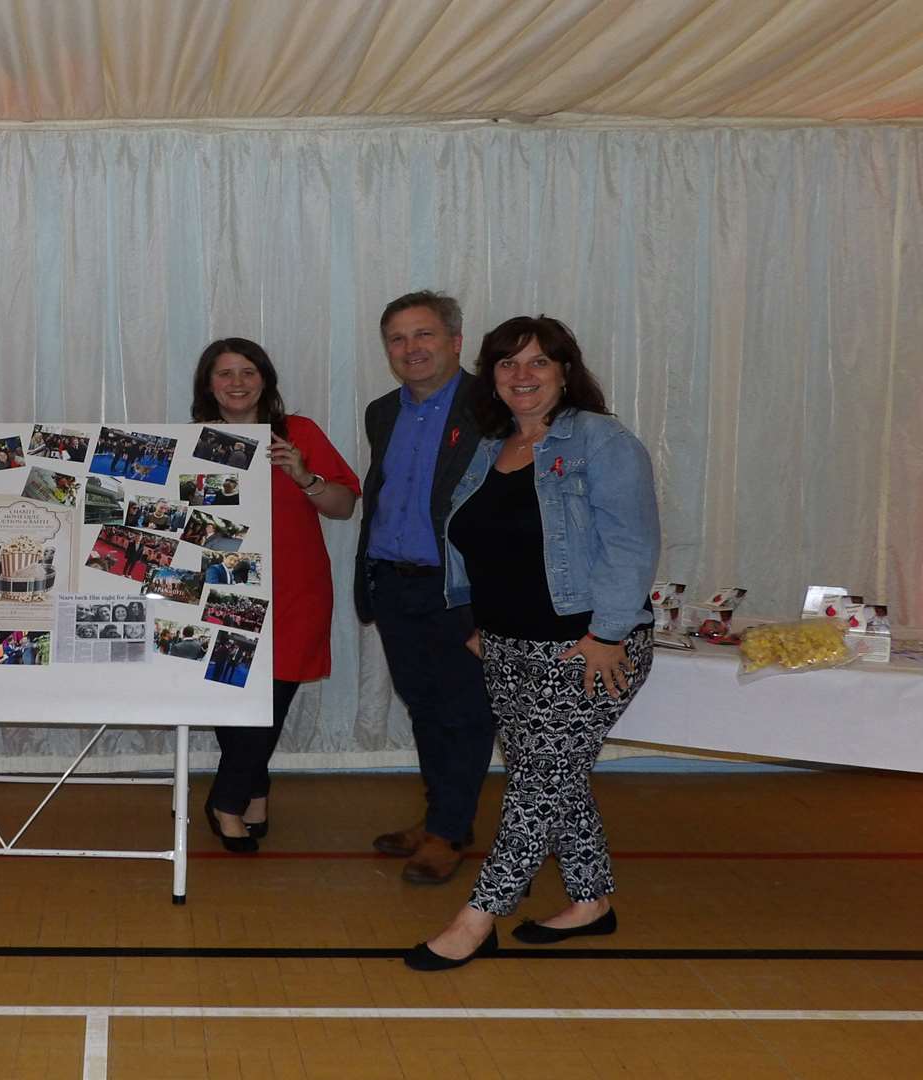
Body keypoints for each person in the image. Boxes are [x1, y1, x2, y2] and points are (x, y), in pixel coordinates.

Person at [404, 315, 660, 971]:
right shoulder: (492, 445)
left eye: (539, 362)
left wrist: (607, 635)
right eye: (508, 363)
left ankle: (477, 918)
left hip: (585, 649)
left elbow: (633, 547)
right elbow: (470, 542)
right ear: (492, 375)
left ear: (565, 372)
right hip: (506, 646)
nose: (522, 376)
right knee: (549, 780)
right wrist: (473, 623)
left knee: (537, 788)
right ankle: (590, 901)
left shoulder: (601, 442)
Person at [189, 337, 359, 854]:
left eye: (248, 372)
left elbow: (344, 506)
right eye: (225, 374)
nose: (238, 383)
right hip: (220, 588)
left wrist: (304, 476)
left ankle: (225, 799)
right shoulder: (191, 439)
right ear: (208, 385)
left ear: (265, 378)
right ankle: (254, 787)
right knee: (230, 696)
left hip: (296, 587)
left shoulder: (299, 433)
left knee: (273, 697)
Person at [357, 291, 497, 885]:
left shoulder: (490, 409)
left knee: (466, 712)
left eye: (424, 335)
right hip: (393, 582)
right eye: (397, 338)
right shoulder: (381, 411)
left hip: (460, 590)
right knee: (424, 707)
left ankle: (446, 832)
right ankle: (446, 819)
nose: (410, 348)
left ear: (456, 342)